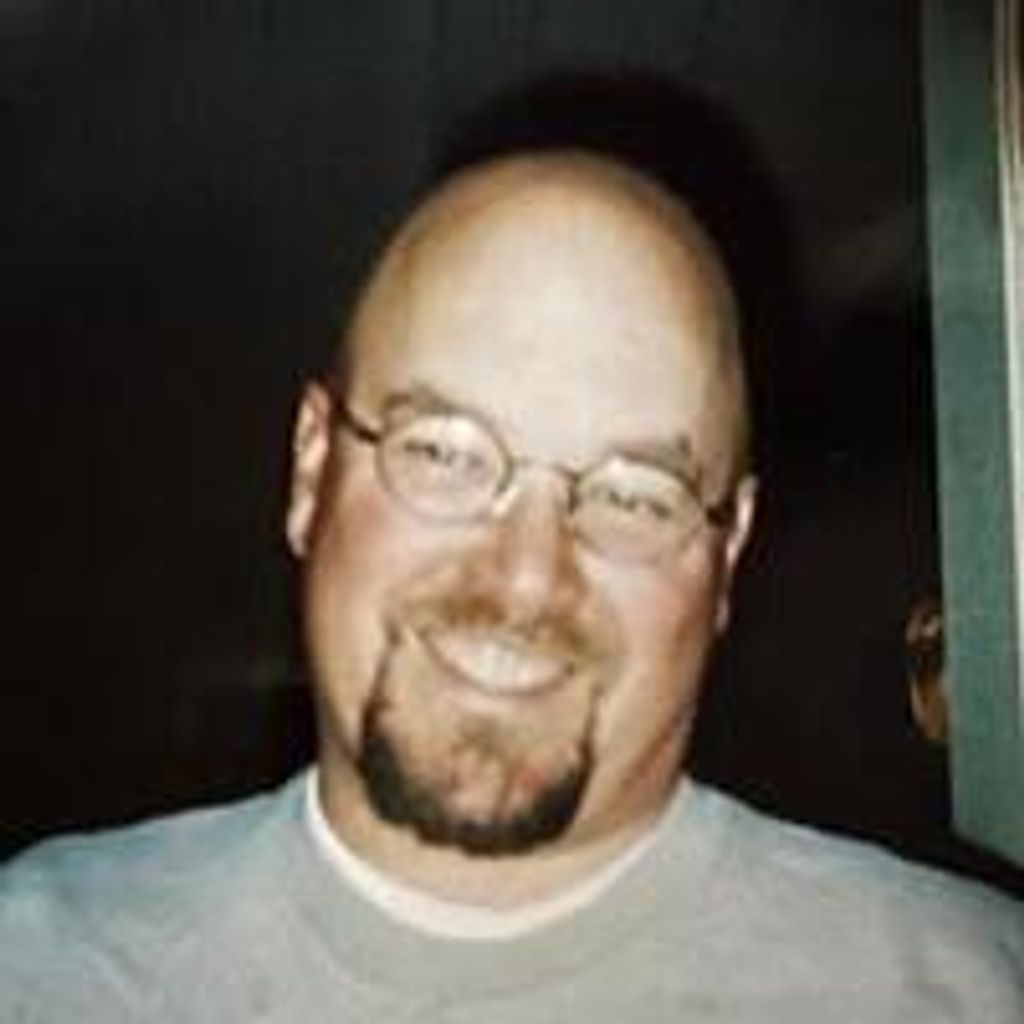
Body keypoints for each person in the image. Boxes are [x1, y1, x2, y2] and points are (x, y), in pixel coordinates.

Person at [2, 151, 1021, 1020]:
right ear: (312, 470)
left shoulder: (967, 992)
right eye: (444, 451)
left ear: (729, 553)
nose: (527, 575)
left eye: (634, 494)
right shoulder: (42, 970)